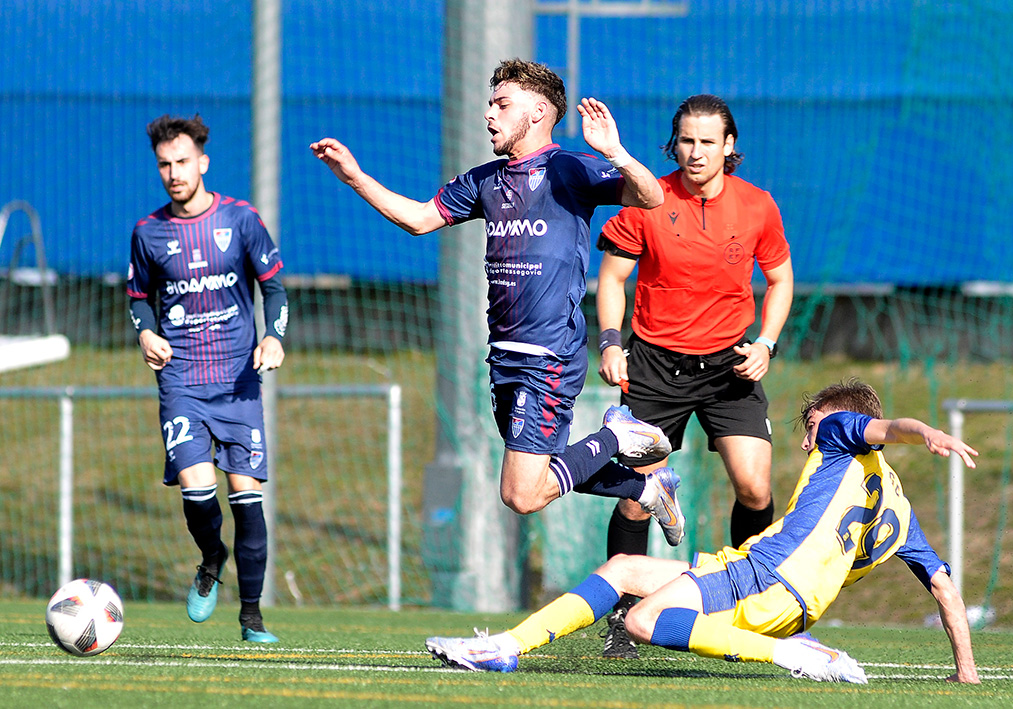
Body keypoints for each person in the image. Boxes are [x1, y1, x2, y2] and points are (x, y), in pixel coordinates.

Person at [310, 59, 685, 542]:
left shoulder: (568, 168)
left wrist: (616, 152)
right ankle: (651, 489)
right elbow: (421, 220)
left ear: (537, 113)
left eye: (502, 104)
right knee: (546, 470)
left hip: (549, 353)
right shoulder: (485, 180)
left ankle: (619, 434)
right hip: (503, 355)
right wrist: (355, 177)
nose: (489, 114)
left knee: (521, 494)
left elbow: (650, 197)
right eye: (489, 104)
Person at [426, 379, 982, 686]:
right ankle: (506, 647)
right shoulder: (899, 509)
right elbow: (946, 591)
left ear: (836, 422)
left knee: (643, 620)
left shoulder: (843, 431)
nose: (808, 440)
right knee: (623, 572)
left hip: (767, 576)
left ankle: (794, 656)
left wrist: (925, 431)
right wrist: (968, 674)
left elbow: (890, 428)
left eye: (810, 427)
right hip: (785, 594)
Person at [594, 94, 794, 656]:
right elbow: (611, 281)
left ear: (729, 147)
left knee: (755, 489)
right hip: (655, 366)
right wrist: (611, 344)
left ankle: (749, 607)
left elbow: (780, 280)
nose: (696, 152)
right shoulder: (645, 199)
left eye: (708, 141)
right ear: (673, 144)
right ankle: (623, 618)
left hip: (730, 364)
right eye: (686, 140)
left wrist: (767, 345)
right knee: (637, 498)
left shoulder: (758, 206)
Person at [127, 114, 288, 643]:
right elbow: (137, 300)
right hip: (182, 383)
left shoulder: (240, 219)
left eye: (181, 162)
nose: (173, 173)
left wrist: (274, 337)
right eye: (164, 165)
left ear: (203, 163)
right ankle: (211, 555)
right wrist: (146, 333)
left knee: (246, 497)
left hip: (239, 382)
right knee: (198, 494)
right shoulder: (148, 232)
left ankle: (251, 617)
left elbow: (276, 290)